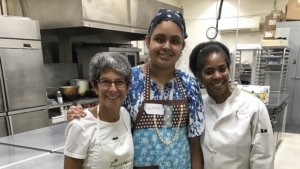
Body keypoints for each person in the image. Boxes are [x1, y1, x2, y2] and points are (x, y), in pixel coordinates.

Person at [67, 8, 205, 169]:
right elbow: (108, 114)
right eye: (160, 39)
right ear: (148, 42)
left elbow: (195, 145)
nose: (167, 46)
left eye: (175, 41)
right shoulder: (129, 80)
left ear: (182, 46)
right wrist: (81, 115)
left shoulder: (190, 85)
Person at [189, 41, 275, 169]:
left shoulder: (254, 107)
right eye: (209, 71)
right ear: (199, 77)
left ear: (229, 69)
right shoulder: (197, 106)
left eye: (222, 69)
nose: (217, 76)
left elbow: (263, 158)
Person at [64, 52, 134, 169]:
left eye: (119, 82)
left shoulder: (125, 116)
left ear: (127, 87)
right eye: (105, 82)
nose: (113, 89)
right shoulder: (80, 126)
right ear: (95, 86)